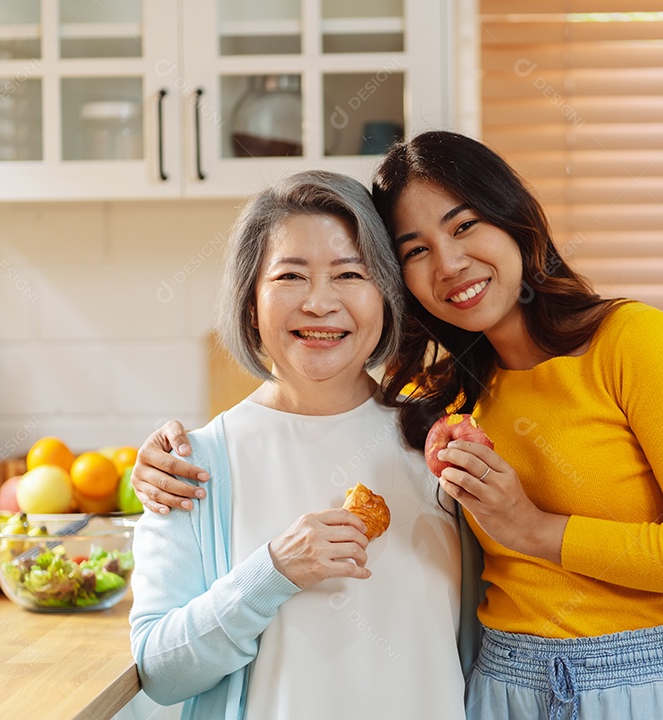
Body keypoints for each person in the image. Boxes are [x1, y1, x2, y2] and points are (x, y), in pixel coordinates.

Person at [133, 132, 663, 720]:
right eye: (415, 251)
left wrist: (533, 528)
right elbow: (161, 666)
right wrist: (251, 546)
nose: (451, 262)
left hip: (634, 682)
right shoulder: (438, 408)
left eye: (350, 274)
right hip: (506, 688)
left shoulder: (612, 347)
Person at [127, 170, 472, 720]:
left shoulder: (439, 444)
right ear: (250, 305)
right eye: (291, 276)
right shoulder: (193, 465)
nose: (319, 303)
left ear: (385, 296)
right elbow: (160, 671)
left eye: (349, 274)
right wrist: (273, 571)